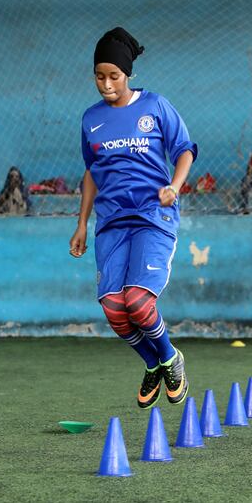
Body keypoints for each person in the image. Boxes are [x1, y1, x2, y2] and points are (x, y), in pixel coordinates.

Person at [69, 27, 198, 409]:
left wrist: (173, 186)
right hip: (110, 223)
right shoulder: (90, 120)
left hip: (152, 217)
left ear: (128, 75)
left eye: (114, 76)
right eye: (99, 76)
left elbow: (185, 150)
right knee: (113, 306)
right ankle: (153, 363)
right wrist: (81, 223)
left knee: (138, 301)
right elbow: (91, 172)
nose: (106, 84)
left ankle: (172, 358)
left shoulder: (155, 107)